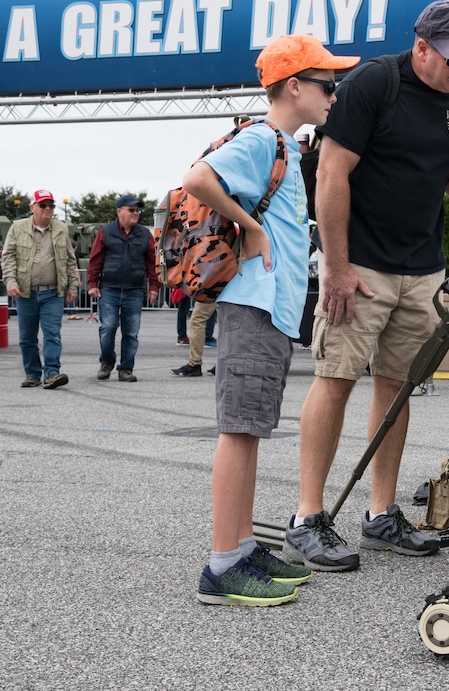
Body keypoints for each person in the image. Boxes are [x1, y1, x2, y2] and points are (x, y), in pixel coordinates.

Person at [284, 0, 449, 571]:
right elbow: (331, 173)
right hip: (361, 264)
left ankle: (380, 513)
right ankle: (306, 516)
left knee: (397, 388)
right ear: (420, 47)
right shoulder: (375, 84)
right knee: (335, 378)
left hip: (420, 269)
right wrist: (338, 265)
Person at [185, 34, 360, 606]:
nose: (334, 95)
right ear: (294, 87)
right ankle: (221, 565)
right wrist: (252, 227)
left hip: (268, 309)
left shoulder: (281, 144)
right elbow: (198, 178)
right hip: (253, 304)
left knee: (250, 430)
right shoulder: (263, 138)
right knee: (239, 432)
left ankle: (239, 546)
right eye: (326, 85)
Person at [1, 189, 79, 389]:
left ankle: (52, 373)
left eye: (51, 205)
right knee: (27, 337)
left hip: (53, 292)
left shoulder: (61, 229)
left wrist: (73, 286)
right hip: (25, 292)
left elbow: (70, 261)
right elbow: (8, 256)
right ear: (32, 207)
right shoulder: (18, 227)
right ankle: (33, 374)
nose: (48, 209)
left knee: (52, 333)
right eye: (43, 205)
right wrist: (10, 282)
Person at [86, 194, 160, 382]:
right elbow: (95, 259)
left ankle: (126, 368)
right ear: (120, 212)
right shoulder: (106, 231)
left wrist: (154, 286)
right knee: (108, 328)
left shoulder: (144, 234)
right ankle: (107, 362)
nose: (136, 213)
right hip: (109, 289)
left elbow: (152, 262)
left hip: (134, 290)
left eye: (137, 210)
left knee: (131, 333)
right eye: (131, 210)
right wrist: (92, 283)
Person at [171, 301, 218, 377]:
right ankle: (226, 362)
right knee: (228, 321)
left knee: (198, 319)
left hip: (211, 292)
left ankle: (195, 363)